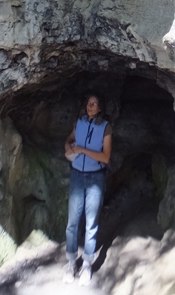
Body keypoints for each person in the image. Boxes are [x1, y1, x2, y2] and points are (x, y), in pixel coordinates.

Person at [63, 93, 112, 286]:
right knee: (72, 222)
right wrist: (68, 145)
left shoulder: (106, 127)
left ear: (100, 108)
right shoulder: (80, 122)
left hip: (95, 177)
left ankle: (87, 265)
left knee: (91, 222)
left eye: (94, 104)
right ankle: (70, 263)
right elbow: (70, 138)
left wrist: (82, 150)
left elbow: (106, 157)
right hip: (76, 175)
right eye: (88, 103)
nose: (90, 106)